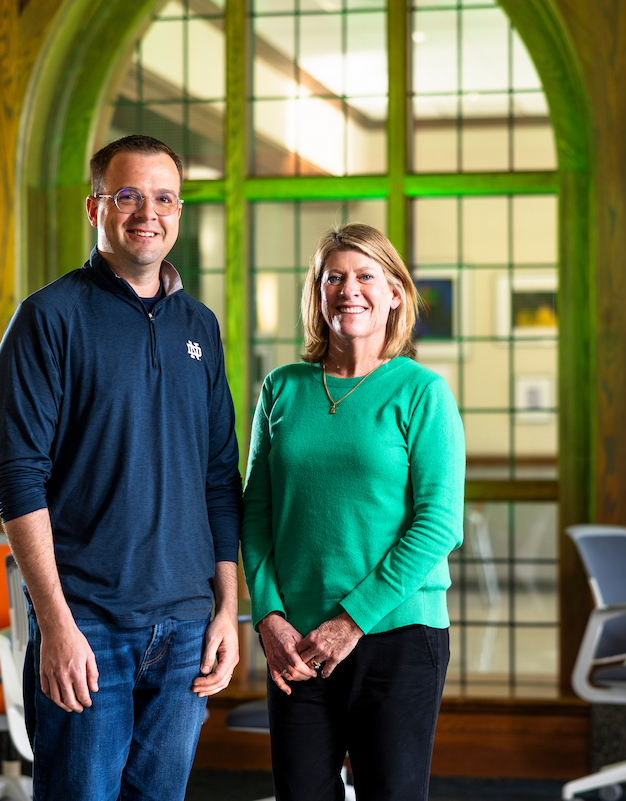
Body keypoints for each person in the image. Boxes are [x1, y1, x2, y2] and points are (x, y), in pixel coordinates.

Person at [0, 134, 242, 801]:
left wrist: (226, 610)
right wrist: (57, 622)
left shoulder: (201, 327)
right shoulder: (48, 318)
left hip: (187, 622)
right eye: (127, 195)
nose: (146, 212)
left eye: (163, 197)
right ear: (94, 206)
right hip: (88, 621)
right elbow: (16, 476)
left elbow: (220, 475)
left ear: (179, 211)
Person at [241, 223, 466, 801]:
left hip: (397, 634)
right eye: (333, 278)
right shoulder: (281, 389)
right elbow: (256, 514)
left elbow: (439, 523)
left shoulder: (423, 392)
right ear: (317, 294)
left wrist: (351, 622)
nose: (349, 290)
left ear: (395, 293)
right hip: (294, 642)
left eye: (366, 276)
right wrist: (267, 616)